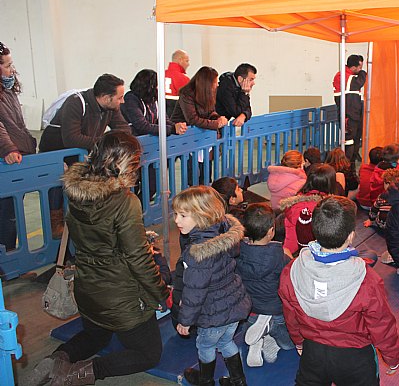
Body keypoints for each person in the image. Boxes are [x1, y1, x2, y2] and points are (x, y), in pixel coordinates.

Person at [24, 131, 169, 386]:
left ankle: (55, 360)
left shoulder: (75, 191)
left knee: (96, 336)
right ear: (124, 162)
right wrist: (159, 291)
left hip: (87, 288)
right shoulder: (125, 201)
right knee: (149, 354)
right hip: (120, 294)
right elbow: (138, 259)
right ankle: (79, 373)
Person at [278, 196, 399, 385]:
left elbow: (291, 314)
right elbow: (381, 323)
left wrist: (298, 341)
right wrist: (392, 357)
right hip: (355, 357)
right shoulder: (366, 279)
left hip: (313, 352)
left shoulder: (292, 271)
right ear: (351, 235)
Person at [172, 186, 250, 386]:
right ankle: (238, 380)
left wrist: (185, 321)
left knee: (205, 346)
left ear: (202, 215)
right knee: (226, 342)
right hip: (233, 303)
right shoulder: (223, 234)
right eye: (175, 214)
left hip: (213, 312)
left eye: (183, 215)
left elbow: (194, 292)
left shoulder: (198, 254)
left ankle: (205, 381)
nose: (176, 221)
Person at [39, 73, 131, 238]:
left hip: (80, 154)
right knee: (56, 189)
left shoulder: (111, 107)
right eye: (120, 97)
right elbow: (71, 138)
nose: (122, 101)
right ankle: (56, 226)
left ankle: (82, 224)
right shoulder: (75, 103)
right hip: (54, 154)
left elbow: (124, 129)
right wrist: (105, 142)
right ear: (105, 97)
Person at [236, 203, 294, 367]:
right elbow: (289, 281)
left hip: (249, 309)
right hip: (274, 310)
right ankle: (270, 330)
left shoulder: (237, 252)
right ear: (271, 231)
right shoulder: (279, 256)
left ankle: (259, 338)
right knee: (289, 345)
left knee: (250, 330)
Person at [0, 41, 37, 251]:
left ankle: (11, 260)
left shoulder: (9, 92)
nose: (12, 70)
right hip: (7, 158)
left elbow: (17, 124)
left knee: (12, 212)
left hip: (19, 156)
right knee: (6, 214)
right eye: (6, 65)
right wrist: (8, 149)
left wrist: (28, 145)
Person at [171, 66, 228, 185]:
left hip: (203, 135)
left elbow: (210, 112)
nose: (217, 85)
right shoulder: (186, 94)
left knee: (206, 172)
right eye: (215, 82)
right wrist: (216, 123)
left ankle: (205, 190)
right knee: (193, 174)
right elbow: (192, 119)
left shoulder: (209, 93)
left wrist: (218, 117)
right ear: (207, 83)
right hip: (186, 136)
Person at [279, 163, 337, 255]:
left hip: (293, 253)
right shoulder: (327, 208)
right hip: (318, 254)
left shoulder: (293, 205)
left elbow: (290, 242)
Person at [121, 69, 187, 137]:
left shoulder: (153, 98)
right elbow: (142, 126)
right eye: (157, 86)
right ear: (150, 87)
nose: (159, 89)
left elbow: (163, 120)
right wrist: (172, 129)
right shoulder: (131, 99)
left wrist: (177, 126)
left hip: (149, 139)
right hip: (134, 139)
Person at [333, 54, 367, 162]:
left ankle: (352, 165)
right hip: (348, 116)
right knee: (349, 142)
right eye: (360, 67)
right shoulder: (343, 76)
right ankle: (346, 167)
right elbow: (358, 83)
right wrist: (363, 73)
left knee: (356, 140)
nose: (360, 70)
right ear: (353, 67)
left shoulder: (349, 75)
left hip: (355, 114)